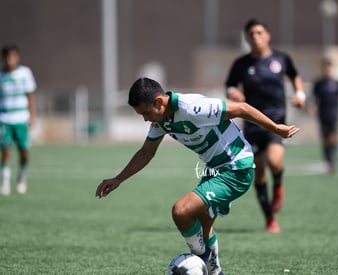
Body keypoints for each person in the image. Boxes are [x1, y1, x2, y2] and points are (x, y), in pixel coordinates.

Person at [95, 77, 300, 275]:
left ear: (159, 102)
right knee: (203, 227)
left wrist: (276, 129)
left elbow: (242, 108)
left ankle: (201, 259)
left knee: (181, 211)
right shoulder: (161, 120)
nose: (146, 119)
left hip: (237, 167)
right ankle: (215, 271)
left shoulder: (192, 107)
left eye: (146, 113)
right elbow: (146, 152)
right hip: (215, 169)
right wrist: (118, 179)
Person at [225, 18, 306, 233]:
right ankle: (269, 218)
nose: (256, 37)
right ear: (247, 38)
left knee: (274, 161)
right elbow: (230, 85)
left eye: (259, 32)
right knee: (258, 171)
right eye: (251, 34)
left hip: (277, 122)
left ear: (268, 35)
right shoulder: (241, 63)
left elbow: (295, 76)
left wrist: (300, 94)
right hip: (252, 124)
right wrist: (233, 92)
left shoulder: (281, 58)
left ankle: (278, 183)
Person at [0, 45, 37, 196]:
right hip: (4, 118)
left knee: (24, 152)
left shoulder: (24, 73)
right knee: (6, 150)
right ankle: (5, 181)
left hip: (21, 118)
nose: (10, 59)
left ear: (17, 57)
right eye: (8, 57)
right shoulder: (1, 76)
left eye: (13, 56)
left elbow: (30, 95)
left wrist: (32, 115)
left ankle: (22, 175)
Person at [310, 57, 338, 175]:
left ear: (332, 69)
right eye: (326, 68)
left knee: (333, 138)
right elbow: (313, 97)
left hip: (334, 114)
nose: (328, 70)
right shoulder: (318, 84)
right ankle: (328, 161)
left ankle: (332, 161)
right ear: (323, 69)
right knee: (325, 140)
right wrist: (312, 106)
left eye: (329, 68)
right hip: (322, 115)